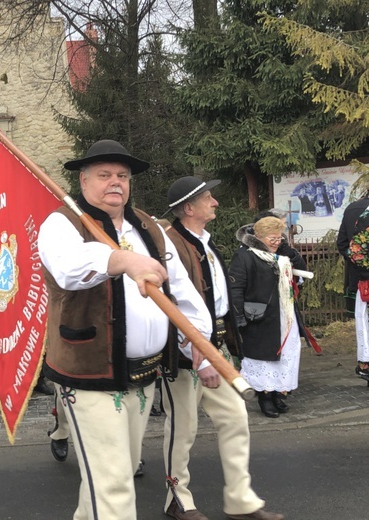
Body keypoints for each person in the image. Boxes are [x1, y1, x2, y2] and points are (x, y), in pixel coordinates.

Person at [38, 140, 211, 520]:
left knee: (116, 471)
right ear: (83, 181)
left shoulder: (147, 225)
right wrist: (120, 258)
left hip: (143, 372)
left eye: (122, 175)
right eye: (104, 175)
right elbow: (68, 269)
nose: (115, 182)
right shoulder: (61, 223)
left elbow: (179, 285)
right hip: (89, 372)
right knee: (114, 482)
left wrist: (199, 336)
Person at [160, 177, 284, 520]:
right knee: (182, 428)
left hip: (214, 347)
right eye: (207, 198)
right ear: (189, 208)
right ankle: (177, 498)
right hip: (185, 353)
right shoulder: (171, 245)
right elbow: (172, 305)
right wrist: (195, 352)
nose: (215, 202)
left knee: (234, 417)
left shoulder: (204, 241)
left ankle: (241, 499)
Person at [230, 217, 306, 418]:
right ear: (260, 237)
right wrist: (238, 316)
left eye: (279, 237)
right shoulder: (245, 256)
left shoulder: (281, 254)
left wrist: (293, 255)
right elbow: (235, 287)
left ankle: (277, 393)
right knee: (263, 356)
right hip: (259, 315)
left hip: (284, 312)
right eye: (272, 238)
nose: (277, 241)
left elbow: (302, 273)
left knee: (283, 353)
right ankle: (264, 396)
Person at [337, 191, 369, 318]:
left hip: (357, 278)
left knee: (363, 323)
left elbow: (342, 244)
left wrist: (356, 261)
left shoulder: (351, 208)